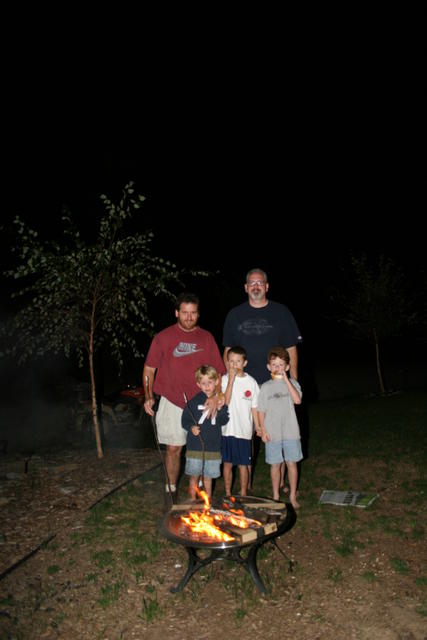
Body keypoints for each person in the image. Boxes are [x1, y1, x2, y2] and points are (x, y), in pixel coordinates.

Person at [222, 268, 303, 492]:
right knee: (246, 432)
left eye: (260, 283)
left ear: (266, 287)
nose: (256, 286)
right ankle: (245, 483)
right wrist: (227, 381)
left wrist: (293, 380)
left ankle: (282, 481)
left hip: (275, 385)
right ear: (246, 288)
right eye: (252, 283)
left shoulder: (281, 312)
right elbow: (228, 350)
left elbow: (290, 349)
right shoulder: (234, 315)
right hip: (243, 384)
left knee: (278, 431)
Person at [143, 292, 226, 506]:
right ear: (177, 313)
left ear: (198, 315)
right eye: (185, 313)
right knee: (173, 448)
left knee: (202, 446)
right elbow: (149, 370)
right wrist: (149, 396)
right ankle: (170, 490)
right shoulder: (163, 337)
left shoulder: (206, 338)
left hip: (201, 402)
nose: (189, 317)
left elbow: (219, 372)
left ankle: (198, 491)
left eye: (193, 313)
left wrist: (217, 395)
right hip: (172, 400)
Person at [257, 346, 303, 509]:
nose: (277, 368)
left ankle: (292, 495)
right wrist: (263, 430)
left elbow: (297, 400)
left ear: (287, 367)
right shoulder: (265, 387)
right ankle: (276, 495)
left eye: (281, 364)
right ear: (269, 367)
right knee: (275, 464)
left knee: (292, 463)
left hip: (291, 432)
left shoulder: (293, 384)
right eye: (274, 364)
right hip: (273, 433)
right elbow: (260, 410)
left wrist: (287, 380)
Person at [181, 366, 229, 500]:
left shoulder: (220, 401)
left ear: (216, 382)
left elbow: (224, 420)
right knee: (194, 476)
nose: (207, 386)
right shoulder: (193, 401)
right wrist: (191, 428)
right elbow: (185, 420)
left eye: (210, 382)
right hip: (195, 447)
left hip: (213, 447)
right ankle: (191, 500)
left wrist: (220, 410)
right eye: (203, 383)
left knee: (208, 478)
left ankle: (208, 502)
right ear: (198, 384)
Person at [221, 346, 260, 497]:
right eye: (231, 361)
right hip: (227, 430)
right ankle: (227, 492)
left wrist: (258, 426)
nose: (234, 365)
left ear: (244, 363)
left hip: (244, 431)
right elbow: (225, 401)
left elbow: (255, 407)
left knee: (244, 464)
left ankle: (243, 493)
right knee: (228, 463)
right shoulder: (224, 380)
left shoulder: (251, 382)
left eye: (238, 361)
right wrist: (231, 380)